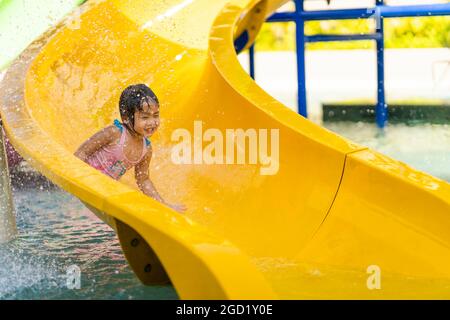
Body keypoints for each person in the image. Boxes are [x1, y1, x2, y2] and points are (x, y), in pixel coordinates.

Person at [74, 84, 186, 213]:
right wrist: (76, 178)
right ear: (127, 118)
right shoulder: (114, 133)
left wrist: (163, 205)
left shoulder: (146, 148)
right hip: (84, 184)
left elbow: (143, 180)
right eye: (145, 117)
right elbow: (82, 152)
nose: (152, 122)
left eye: (156, 115)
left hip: (102, 192)